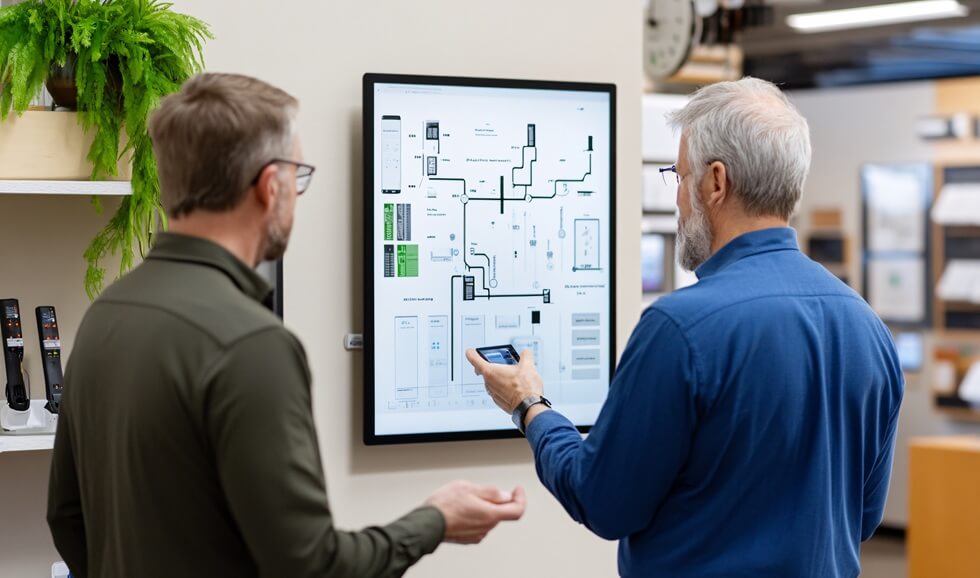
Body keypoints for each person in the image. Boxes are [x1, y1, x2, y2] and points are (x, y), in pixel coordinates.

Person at [47, 73, 525, 578]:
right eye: (297, 178)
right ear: (269, 186)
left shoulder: (106, 316)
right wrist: (435, 521)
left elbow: (66, 518)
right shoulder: (251, 345)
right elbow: (313, 567)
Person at [467, 77, 903, 577]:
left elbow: (604, 502)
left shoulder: (681, 329)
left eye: (679, 176)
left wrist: (530, 406)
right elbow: (863, 516)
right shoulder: (868, 328)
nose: (678, 200)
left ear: (716, 183)